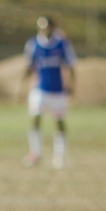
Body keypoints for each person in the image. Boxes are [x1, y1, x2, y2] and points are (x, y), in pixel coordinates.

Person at [21, 16, 77, 169]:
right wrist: (22, 87)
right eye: (42, 27)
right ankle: (35, 153)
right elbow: (28, 66)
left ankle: (60, 155)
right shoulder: (33, 44)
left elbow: (71, 65)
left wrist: (72, 86)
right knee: (35, 118)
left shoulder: (62, 44)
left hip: (58, 90)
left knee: (59, 122)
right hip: (40, 89)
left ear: (53, 27)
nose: (45, 31)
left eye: (47, 27)